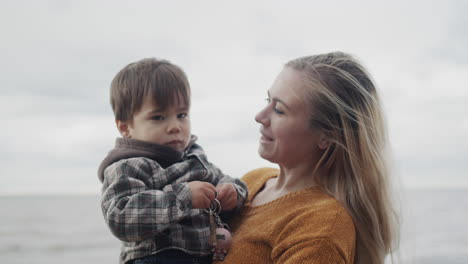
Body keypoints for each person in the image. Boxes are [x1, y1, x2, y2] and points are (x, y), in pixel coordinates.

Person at [219, 52, 399, 264]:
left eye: (279, 110)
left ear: (328, 134)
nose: (260, 116)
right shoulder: (253, 181)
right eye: (268, 100)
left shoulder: (322, 229)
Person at [97, 58, 248, 264]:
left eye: (182, 114)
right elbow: (121, 217)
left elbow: (229, 181)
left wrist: (232, 192)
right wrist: (184, 197)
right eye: (159, 117)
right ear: (126, 128)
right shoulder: (127, 166)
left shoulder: (194, 158)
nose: (175, 126)